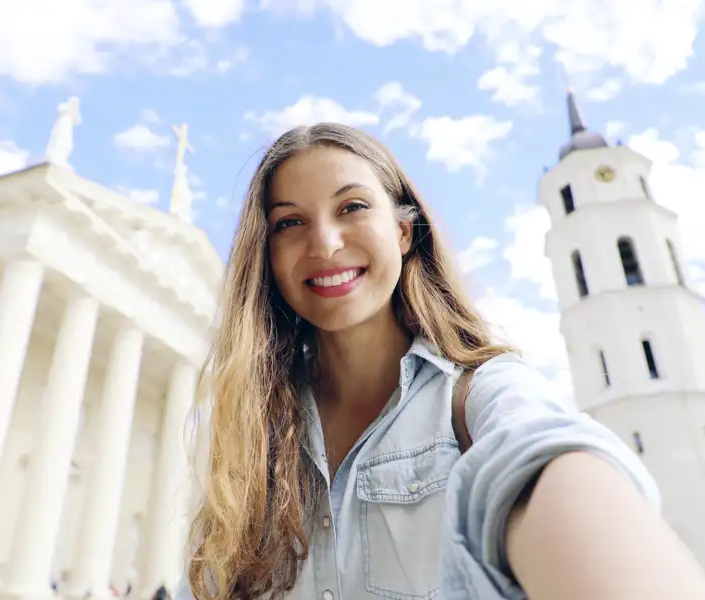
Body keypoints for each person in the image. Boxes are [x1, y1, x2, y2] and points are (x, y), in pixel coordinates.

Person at [175, 123, 705, 599]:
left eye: (352, 207)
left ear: (404, 231)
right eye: (289, 223)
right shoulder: (250, 435)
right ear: (266, 255)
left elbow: (538, 458)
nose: (326, 243)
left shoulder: (480, 397)